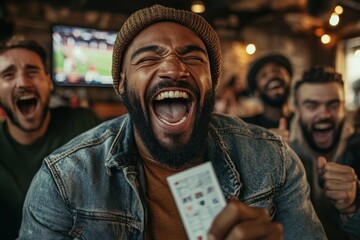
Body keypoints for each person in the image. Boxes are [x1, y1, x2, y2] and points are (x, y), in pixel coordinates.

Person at [18, 5, 326, 239]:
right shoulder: (63, 180)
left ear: (212, 83)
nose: (173, 69)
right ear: (122, 85)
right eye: (148, 58)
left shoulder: (275, 159)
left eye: (193, 57)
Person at [0, 37, 101, 239]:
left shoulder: (83, 123)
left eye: (32, 72)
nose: (23, 83)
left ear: (48, 82)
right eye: (8, 75)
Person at [290, 66, 360, 240]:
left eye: (334, 104)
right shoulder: (283, 156)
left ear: (345, 108)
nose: (324, 114)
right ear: (297, 110)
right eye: (312, 105)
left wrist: (353, 207)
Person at [242, 53, 293, 142]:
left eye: (277, 71)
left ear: (289, 79)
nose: (272, 75)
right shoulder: (245, 127)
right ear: (256, 92)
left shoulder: (304, 122)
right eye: (263, 75)